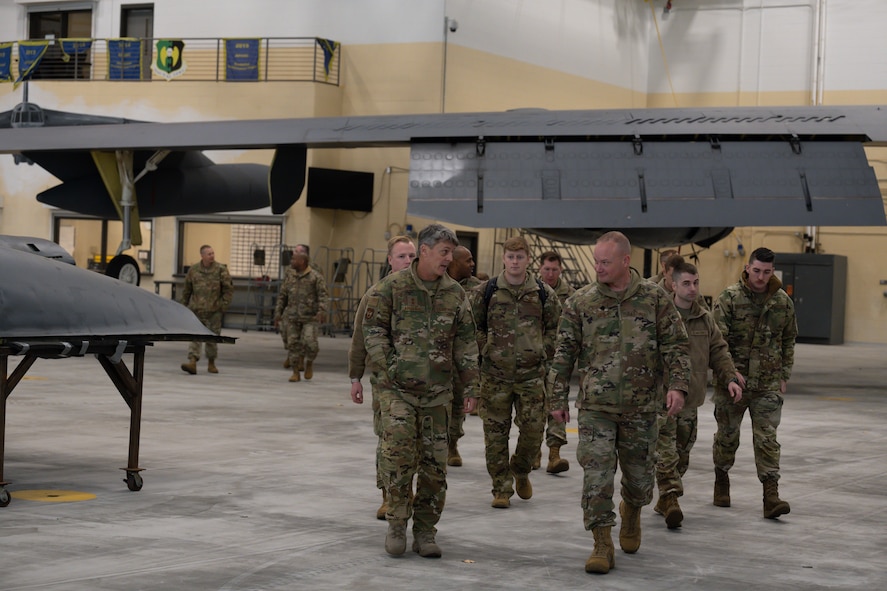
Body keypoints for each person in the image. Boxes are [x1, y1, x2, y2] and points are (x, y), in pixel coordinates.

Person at [548, 231, 690, 575]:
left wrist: (678, 387)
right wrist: (556, 396)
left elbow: (676, 346)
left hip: (642, 407)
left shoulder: (655, 299)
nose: (597, 267)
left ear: (626, 261)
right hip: (596, 406)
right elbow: (564, 352)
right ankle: (601, 542)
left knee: (640, 479)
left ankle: (633, 511)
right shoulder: (580, 302)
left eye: (605, 262)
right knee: (597, 477)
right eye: (596, 261)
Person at [362, 223, 479, 558]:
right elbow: (372, 329)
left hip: (438, 395)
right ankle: (397, 523)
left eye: (451, 254)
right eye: (444, 252)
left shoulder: (455, 293)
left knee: (434, 468)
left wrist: (472, 385)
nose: (448, 259)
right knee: (398, 459)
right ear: (424, 250)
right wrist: (390, 366)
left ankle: (426, 532)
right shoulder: (392, 287)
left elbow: (467, 342)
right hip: (396, 391)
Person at [471, 236, 561, 509]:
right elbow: (473, 325)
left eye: (519, 257)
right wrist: (485, 348)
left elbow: (557, 328)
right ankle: (501, 487)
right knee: (495, 434)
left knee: (533, 431)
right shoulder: (487, 291)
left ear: (528, 260)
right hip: (494, 376)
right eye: (510, 257)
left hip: (531, 376)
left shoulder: (543, 293)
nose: (514, 262)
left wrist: (543, 351)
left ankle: (520, 469)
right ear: (503, 259)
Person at [653, 261, 743, 529]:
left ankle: (663, 496)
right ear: (673, 285)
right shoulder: (658, 315)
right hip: (660, 398)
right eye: (686, 284)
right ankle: (670, 498)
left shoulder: (704, 318)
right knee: (665, 451)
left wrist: (729, 377)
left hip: (690, 399)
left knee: (682, 454)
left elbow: (719, 351)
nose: (692, 289)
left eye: (696, 283)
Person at [712, 247, 797, 519]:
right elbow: (717, 342)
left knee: (767, 440)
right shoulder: (729, 298)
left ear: (774, 271)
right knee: (727, 438)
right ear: (747, 267)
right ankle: (721, 476)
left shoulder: (782, 302)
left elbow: (788, 339)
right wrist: (728, 374)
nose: (761, 277)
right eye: (757, 270)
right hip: (733, 384)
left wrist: (784, 373)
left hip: (767, 384)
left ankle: (771, 495)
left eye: (767, 272)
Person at [348, 235, 417, 520]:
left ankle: (406, 491)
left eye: (412, 256)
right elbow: (359, 339)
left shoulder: (424, 294)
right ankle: (388, 494)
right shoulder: (376, 294)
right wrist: (355, 378)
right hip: (386, 382)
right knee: (389, 439)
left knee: (415, 441)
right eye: (402, 256)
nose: (407, 261)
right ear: (389, 260)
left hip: (420, 382)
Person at [536, 250, 576, 474]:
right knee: (532, 407)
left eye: (555, 270)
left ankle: (554, 453)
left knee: (557, 403)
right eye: (547, 269)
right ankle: (533, 451)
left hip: (557, 358)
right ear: (540, 269)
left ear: (560, 270)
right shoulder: (532, 291)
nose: (550, 274)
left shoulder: (569, 295)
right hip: (533, 358)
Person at [444, 245, 482, 466]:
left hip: (463, 357)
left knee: (459, 403)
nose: (472, 264)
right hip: (439, 356)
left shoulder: (478, 288)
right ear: (455, 262)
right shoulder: (440, 285)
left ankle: (452, 444)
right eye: (468, 260)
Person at [274, 251, 328, 382]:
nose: (291, 261)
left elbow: (323, 296)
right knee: (293, 345)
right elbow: (283, 296)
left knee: (311, 344)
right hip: (292, 317)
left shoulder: (315, 277)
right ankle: (295, 372)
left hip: (310, 318)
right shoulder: (290, 277)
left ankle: (309, 362)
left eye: (294, 259)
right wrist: (278, 313)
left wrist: (322, 312)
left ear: (302, 262)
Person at [180, 244, 234, 374]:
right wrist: (183, 307)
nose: (212, 256)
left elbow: (228, 289)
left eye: (213, 253)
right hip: (197, 310)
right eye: (209, 254)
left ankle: (211, 363)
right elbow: (187, 290)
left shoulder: (221, 270)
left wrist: (223, 306)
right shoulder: (193, 270)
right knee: (195, 336)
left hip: (214, 311)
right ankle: (192, 362)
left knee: (212, 338)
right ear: (202, 255)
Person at [281, 244, 323, 370]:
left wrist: (321, 310)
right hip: (292, 311)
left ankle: (302, 361)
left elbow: (321, 291)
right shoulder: (290, 270)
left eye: (297, 252)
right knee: (288, 337)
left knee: (308, 340)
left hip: (308, 312)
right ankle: (292, 357)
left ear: (304, 256)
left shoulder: (315, 271)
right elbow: (285, 289)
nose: (294, 255)